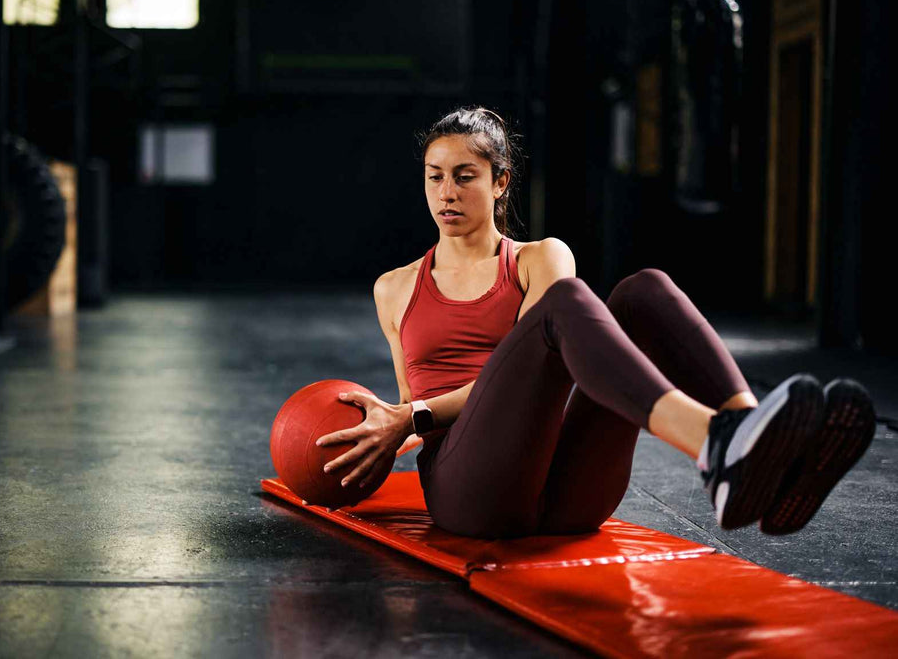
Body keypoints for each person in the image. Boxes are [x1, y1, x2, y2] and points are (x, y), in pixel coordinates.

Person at [315, 106, 876, 538]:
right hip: (472, 491)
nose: (447, 192)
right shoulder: (395, 287)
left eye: (466, 175)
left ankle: (757, 443)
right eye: (435, 177)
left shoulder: (540, 259)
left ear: (501, 182)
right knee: (567, 305)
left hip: (566, 491)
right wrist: (398, 426)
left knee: (643, 290)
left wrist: (409, 415)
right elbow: (415, 407)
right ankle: (721, 446)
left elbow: (435, 404)